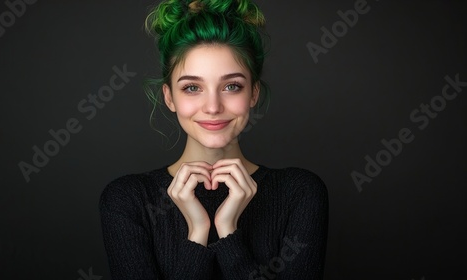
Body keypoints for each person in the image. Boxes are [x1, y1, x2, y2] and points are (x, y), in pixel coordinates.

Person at [99, 0, 329, 279]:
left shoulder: (300, 193)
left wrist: (228, 231)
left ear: (253, 93)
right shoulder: (128, 200)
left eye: (232, 86)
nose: (212, 106)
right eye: (192, 87)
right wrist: (197, 232)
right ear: (169, 97)